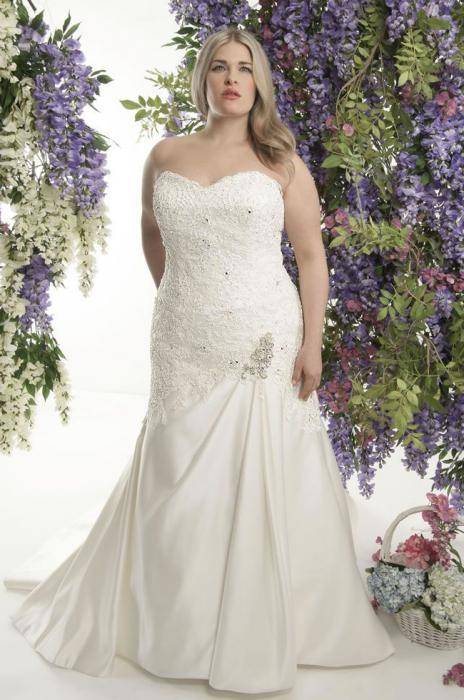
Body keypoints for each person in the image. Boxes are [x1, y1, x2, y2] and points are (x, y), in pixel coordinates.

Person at [5, 26, 395, 695]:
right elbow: (151, 232)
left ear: (258, 84)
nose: (232, 79)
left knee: (260, 467)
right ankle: (174, 623)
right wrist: (180, 295)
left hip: (262, 338)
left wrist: (312, 343)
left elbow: (310, 257)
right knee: (174, 473)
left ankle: (269, 625)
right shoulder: (165, 154)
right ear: (203, 80)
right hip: (183, 335)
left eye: (244, 68)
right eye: (220, 67)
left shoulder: (281, 162)